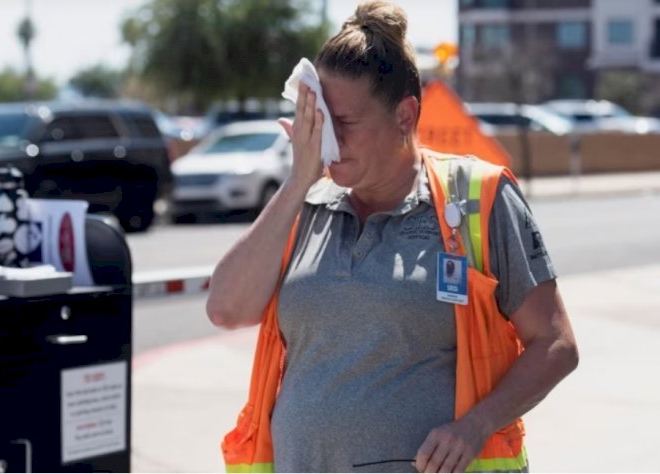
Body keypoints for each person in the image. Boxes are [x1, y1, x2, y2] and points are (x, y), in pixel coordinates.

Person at [207, 1, 579, 472]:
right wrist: (298, 181)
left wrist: (477, 424)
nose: (327, 141)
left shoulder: (477, 197)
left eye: (343, 124)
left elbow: (556, 343)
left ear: (405, 116)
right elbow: (225, 308)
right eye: (319, 121)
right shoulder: (307, 206)